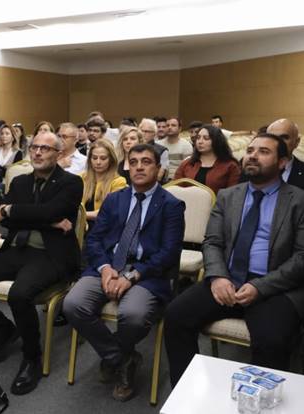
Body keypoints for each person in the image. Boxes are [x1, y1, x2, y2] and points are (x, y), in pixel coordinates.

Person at [164, 133, 304, 386]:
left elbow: (301, 257)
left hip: (274, 286)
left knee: (272, 339)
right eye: (250, 150)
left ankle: (259, 400)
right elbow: (212, 242)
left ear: (283, 162)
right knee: (176, 316)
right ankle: (187, 392)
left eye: (263, 151)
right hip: (227, 279)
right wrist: (218, 277)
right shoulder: (229, 196)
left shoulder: (298, 200)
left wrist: (260, 286)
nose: (252, 155)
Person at [0, 131, 83, 395]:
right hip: (17, 248)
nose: (38, 152)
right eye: (34, 147)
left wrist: (16, 211)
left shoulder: (71, 182)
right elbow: (3, 215)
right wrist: (48, 222)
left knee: (19, 295)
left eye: (45, 148)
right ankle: (3, 328)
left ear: (58, 154)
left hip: (51, 255)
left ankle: (32, 357)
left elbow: (49, 211)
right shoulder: (21, 181)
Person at [63, 143, 185, 402]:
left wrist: (132, 276)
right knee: (73, 304)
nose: (139, 167)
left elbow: (169, 252)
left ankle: (115, 355)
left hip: (146, 273)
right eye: (134, 162)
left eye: (146, 162)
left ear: (158, 169)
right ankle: (122, 358)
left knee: (133, 315)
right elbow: (94, 240)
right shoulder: (115, 199)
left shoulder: (171, 205)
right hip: (107, 266)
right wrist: (105, 268)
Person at [174, 125, 241, 194]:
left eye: (206, 138)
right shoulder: (187, 163)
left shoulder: (230, 166)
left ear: (216, 141)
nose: (200, 141)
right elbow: (175, 188)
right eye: (198, 138)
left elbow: (233, 194)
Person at [82, 139, 127, 224]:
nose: (98, 162)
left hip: (104, 228)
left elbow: (109, 212)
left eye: (103, 158)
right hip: (80, 228)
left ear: (111, 159)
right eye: (94, 158)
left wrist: (80, 215)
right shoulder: (81, 178)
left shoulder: (119, 182)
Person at [265, 118, 304, 189]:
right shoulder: (252, 167)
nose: (278, 142)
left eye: (284, 138)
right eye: (273, 138)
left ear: (296, 142)